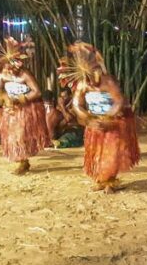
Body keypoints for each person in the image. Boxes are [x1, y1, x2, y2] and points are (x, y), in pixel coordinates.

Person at [59, 42, 139, 192]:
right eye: (89, 77)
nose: (93, 81)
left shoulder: (108, 81)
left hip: (114, 121)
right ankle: (102, 179)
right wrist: (88, 119)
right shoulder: (83, 84)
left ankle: (110, 180)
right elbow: (77, 105)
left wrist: (108, 118)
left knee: (112, 150)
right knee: (98, 151)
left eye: (95, 74)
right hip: (95, 120)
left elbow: (119, 101)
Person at [0, 37, 50, 174]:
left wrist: (21, 99)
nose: (9, 70)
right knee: (12, 135)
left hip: (26, 109)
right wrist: (3, 98)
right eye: (6, 67)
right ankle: (23, 161)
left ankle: (23, 161)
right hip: (11, 110)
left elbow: (37, 91)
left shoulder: (25, 74)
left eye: (12, 67)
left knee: (21, 134)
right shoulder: (3, 75)